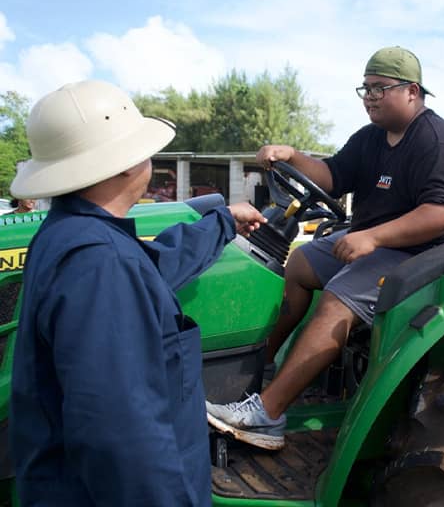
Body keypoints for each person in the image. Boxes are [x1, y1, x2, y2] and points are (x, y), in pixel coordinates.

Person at [206, 46, 444, 450]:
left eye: (380, 88)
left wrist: (371, 237)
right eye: (365, 88)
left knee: (340, 297)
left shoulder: (439, 142)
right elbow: (332, 175)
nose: (370, 97)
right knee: (300, 263)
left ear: (412, 91)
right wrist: (294, 156)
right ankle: (264, 366)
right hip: (379, 244)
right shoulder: (371, 139)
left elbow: (441, 215)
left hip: (425, 254)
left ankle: (267, 416)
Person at [9, 80, 264, 506]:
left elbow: (152, 266)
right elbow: (122, 435)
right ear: (128, 163)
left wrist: (223, 223)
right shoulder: (102, 266)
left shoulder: (74, 236)